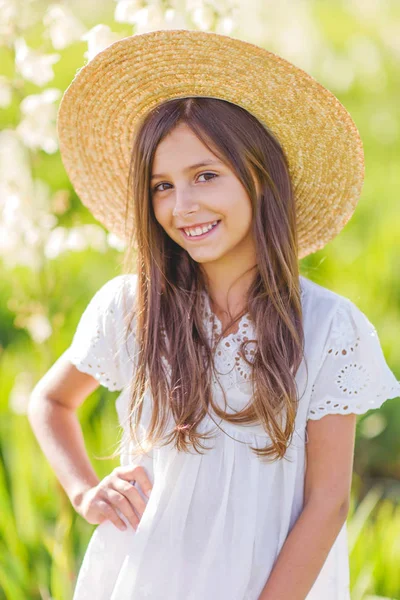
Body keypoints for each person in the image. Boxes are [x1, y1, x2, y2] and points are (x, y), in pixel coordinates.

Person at [28, 29, 400, 600]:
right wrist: (84, 492)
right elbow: (51, 401)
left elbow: (327, 503)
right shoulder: (132, 307)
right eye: (162, 186)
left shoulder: (328, 326)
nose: (183, 206)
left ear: (261, 177)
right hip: (145, 578)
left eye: (206, 175)